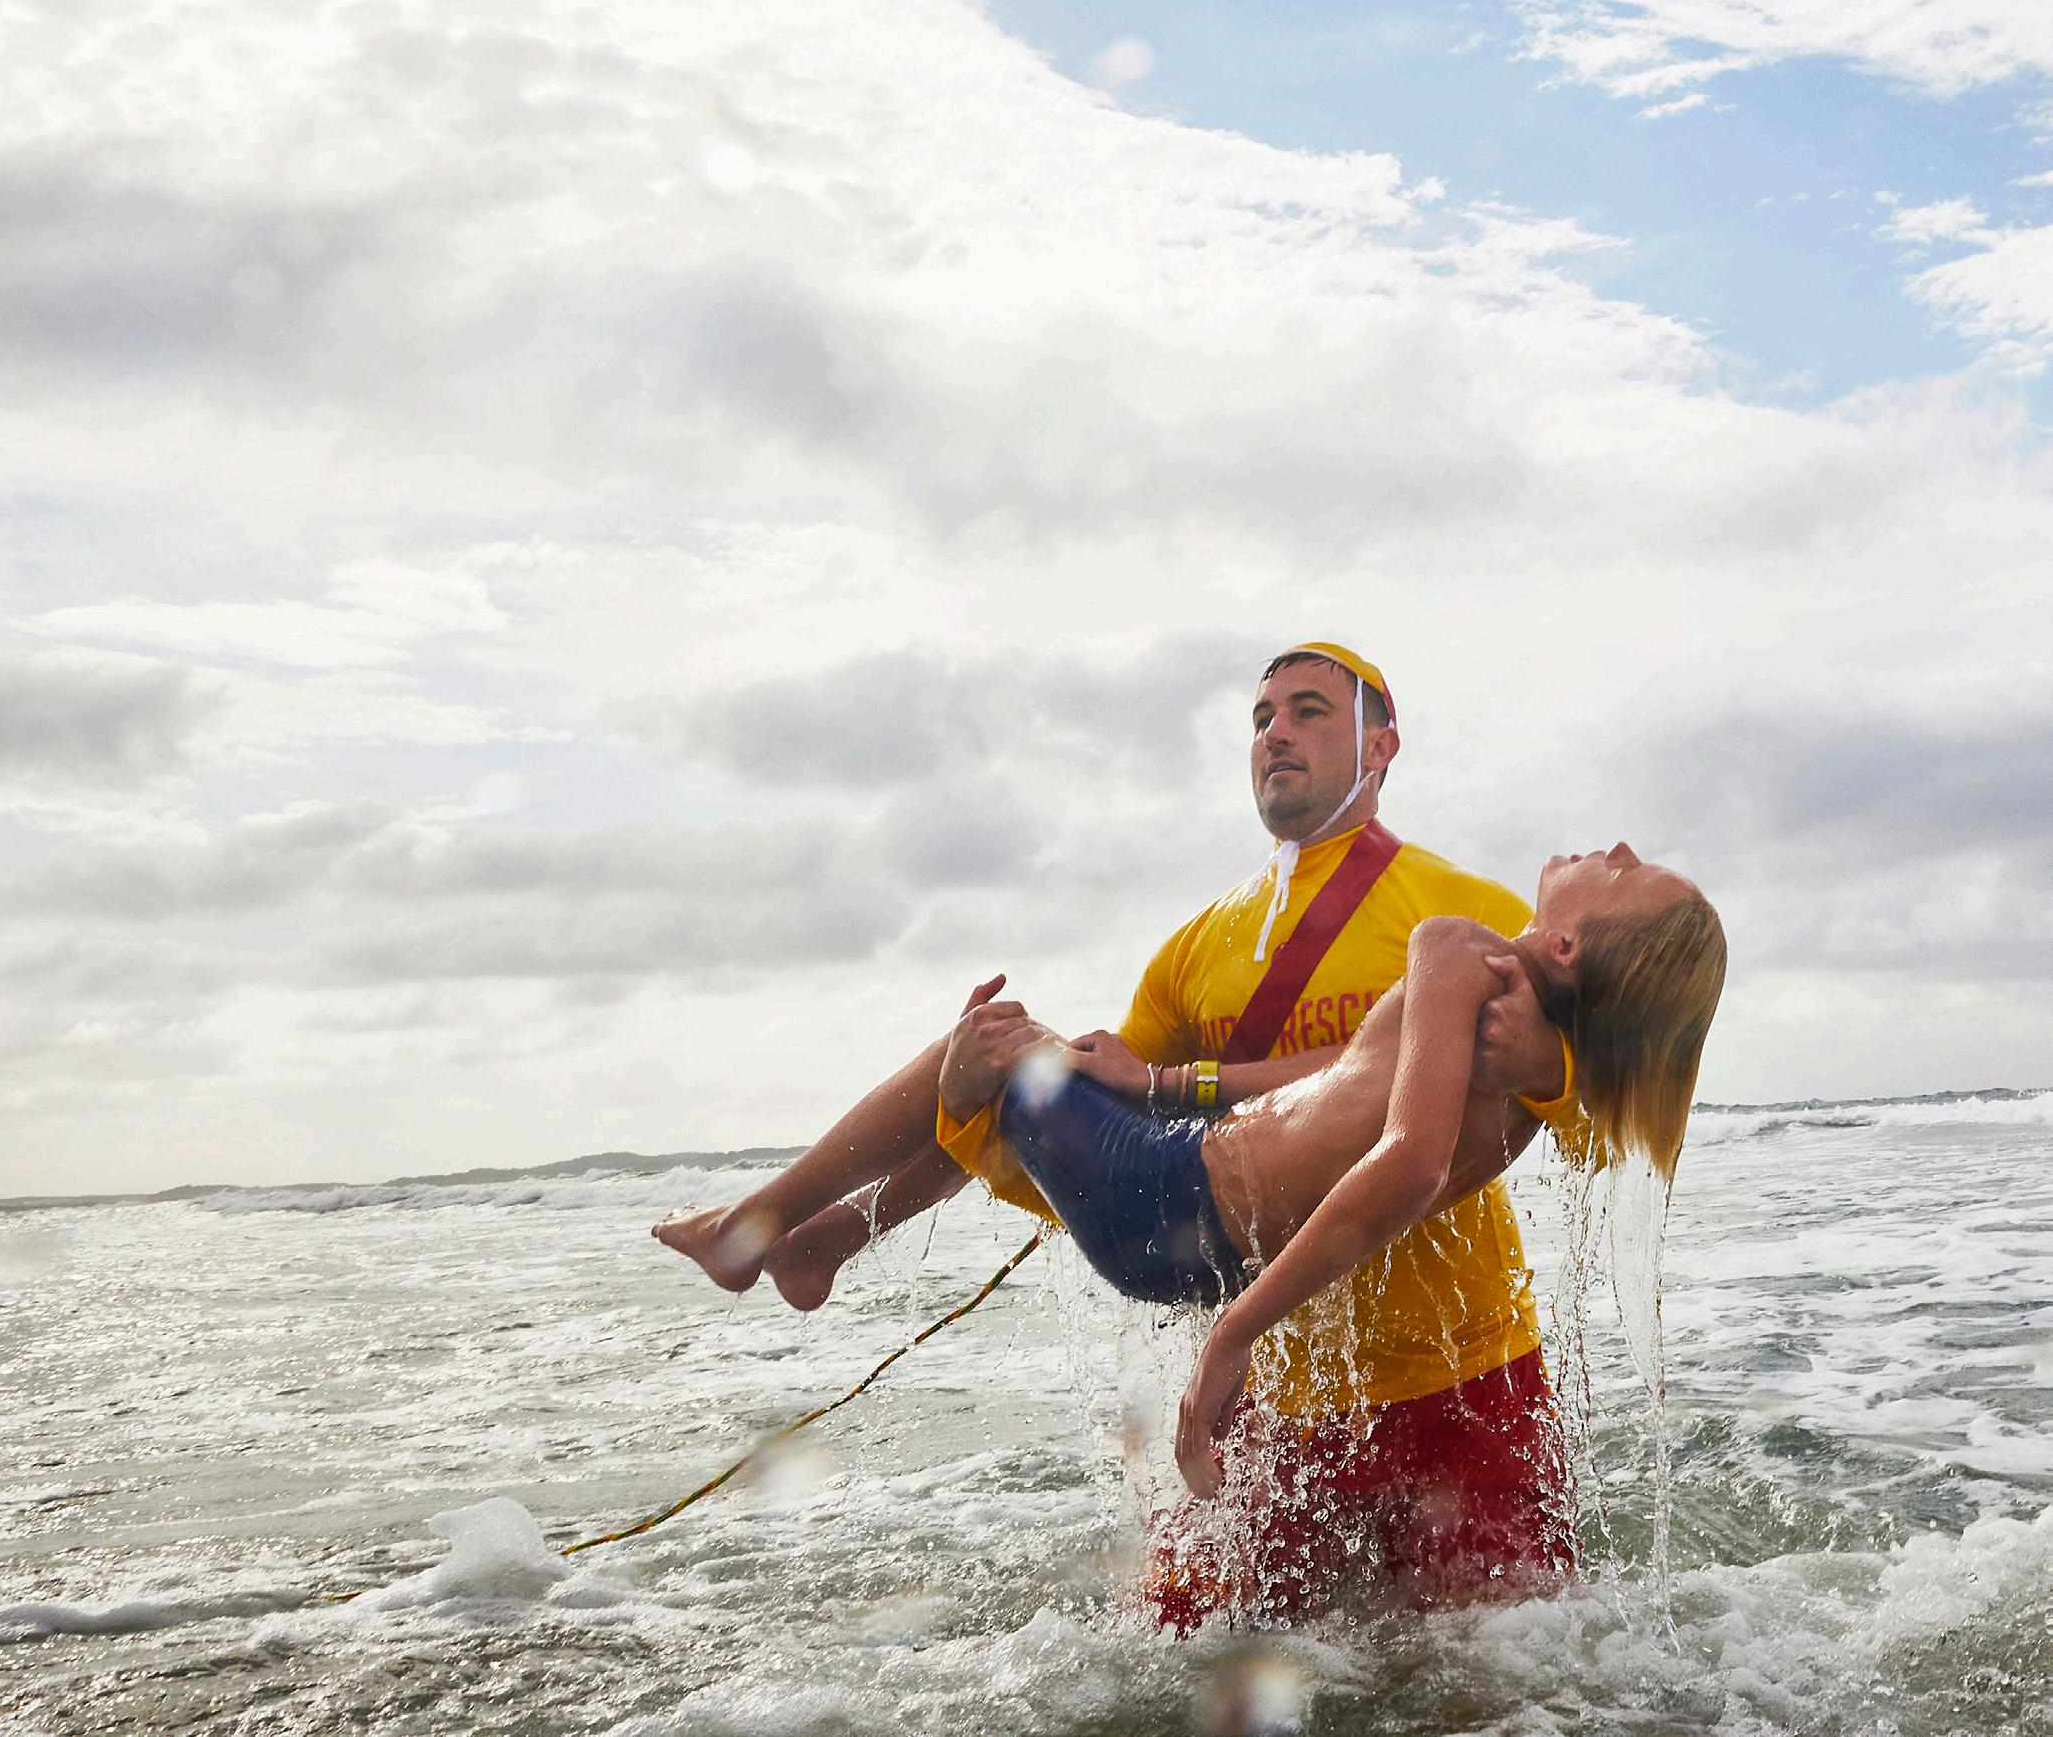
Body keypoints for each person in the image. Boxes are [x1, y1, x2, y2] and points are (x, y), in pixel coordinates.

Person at [654, 644, 1622, 1619]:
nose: (1275, 731)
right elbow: (1120, 1145)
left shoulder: (1468, 912)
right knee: (1190, 1659)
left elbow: (1581, 1115)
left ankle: (786, 1230)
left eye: (1309, 710)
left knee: (1509, 1672)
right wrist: (957, 1112)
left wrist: (1175, 1077)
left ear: (1382, 744)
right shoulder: (1194, 948)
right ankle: (818, 1233)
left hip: (1459, 1373)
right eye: (1259, 716)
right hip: (1265, 1389)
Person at [939, 841, 1726, 1502]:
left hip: (1182, 1216)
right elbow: (1349, 1071)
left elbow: (1428, 1162)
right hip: (1239, 1276)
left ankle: (835, 1213)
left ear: (1565, 948)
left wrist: (1233, 1330)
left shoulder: (1456, 932)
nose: (1617, 850)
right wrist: (1166, 1083)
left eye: (1625, 873)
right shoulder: (1547, 1072)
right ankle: (822, 1236)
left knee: (993, 1043)